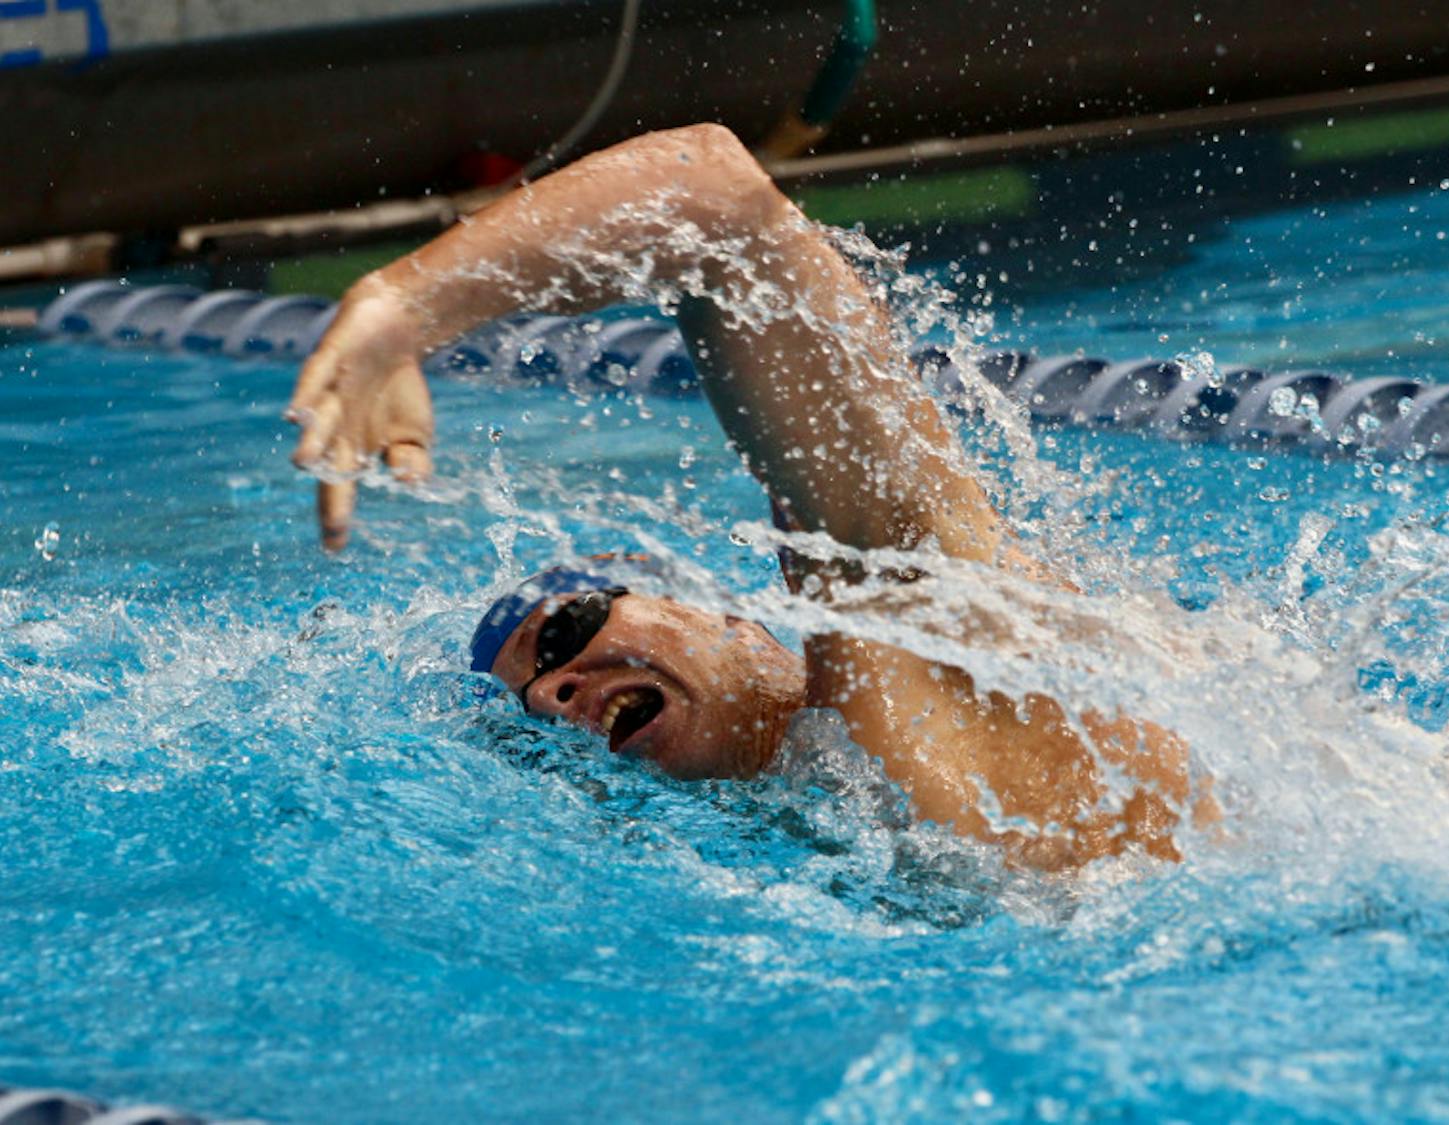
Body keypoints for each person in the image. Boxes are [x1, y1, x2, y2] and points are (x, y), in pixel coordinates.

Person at [286, 124, 1212, 870]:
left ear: (733, 618)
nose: (557, 692)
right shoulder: (810, 834)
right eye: (533, 710)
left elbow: (716, 198)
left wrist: (404, 308)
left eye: (565, 633)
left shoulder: (902, 624)